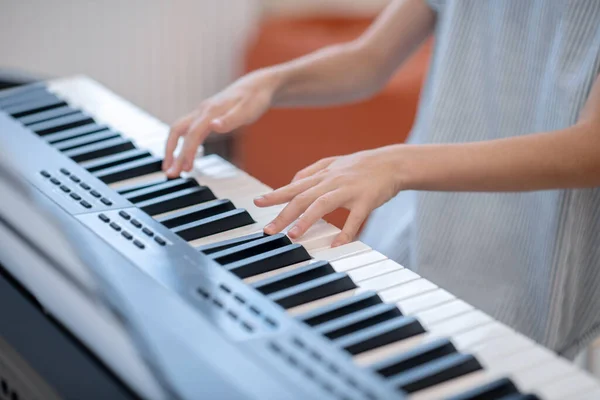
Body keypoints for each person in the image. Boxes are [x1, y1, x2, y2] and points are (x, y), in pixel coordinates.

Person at [162, 0, 600, 359]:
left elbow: (591, 150)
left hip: (541, 283)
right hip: (416, 238)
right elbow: (368, 59)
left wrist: (395, 165)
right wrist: (271, 82)